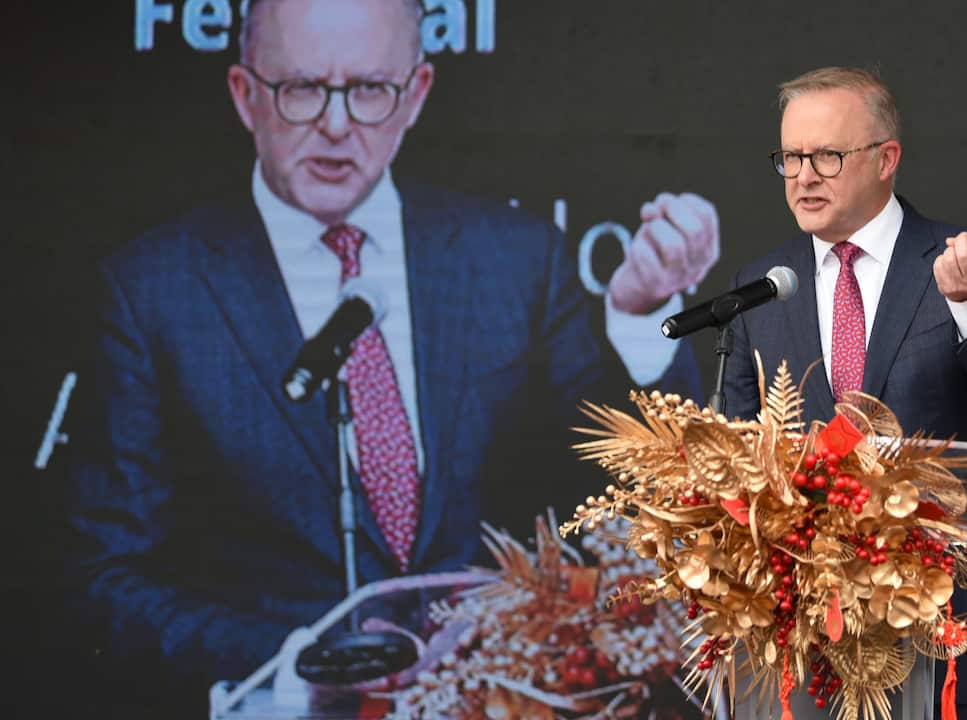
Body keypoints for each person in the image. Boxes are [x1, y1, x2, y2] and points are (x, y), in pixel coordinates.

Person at [65, 0, 719, 715]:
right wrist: (293, 670)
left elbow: (618, 498)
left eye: (371, 90)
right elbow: (108, 578)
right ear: (245, 96)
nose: (338, 125)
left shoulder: (515, 261)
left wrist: (638, 316)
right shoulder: (152, 292)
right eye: (303, 88)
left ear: (416, 95)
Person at [722, 67, 967, 720]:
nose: (803, 175)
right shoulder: (762, 289)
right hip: (804, 648)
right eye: (790, 157)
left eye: (826, 155)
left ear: (886, 159)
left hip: (946, 641)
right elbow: (737, 461)